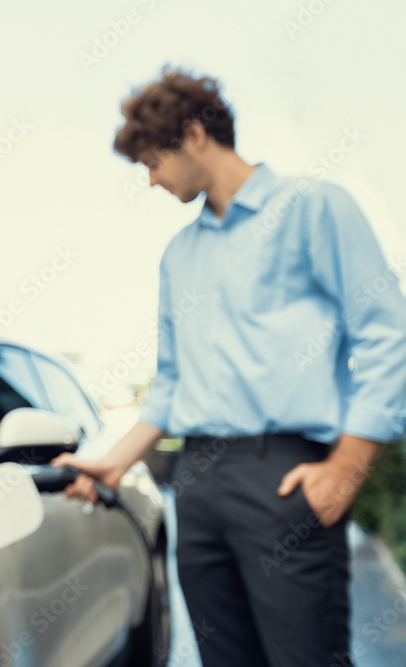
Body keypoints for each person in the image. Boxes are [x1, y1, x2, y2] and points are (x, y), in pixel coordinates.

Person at [51, 67, 406, 667]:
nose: (150, 180)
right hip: (198, 482)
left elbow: (388, 332)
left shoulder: (312, 208)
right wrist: (112, 464)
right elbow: (171, 386)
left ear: (192, 135)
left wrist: (348, 462)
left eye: (152, 163)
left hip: (285, 475)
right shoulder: (180, 256)